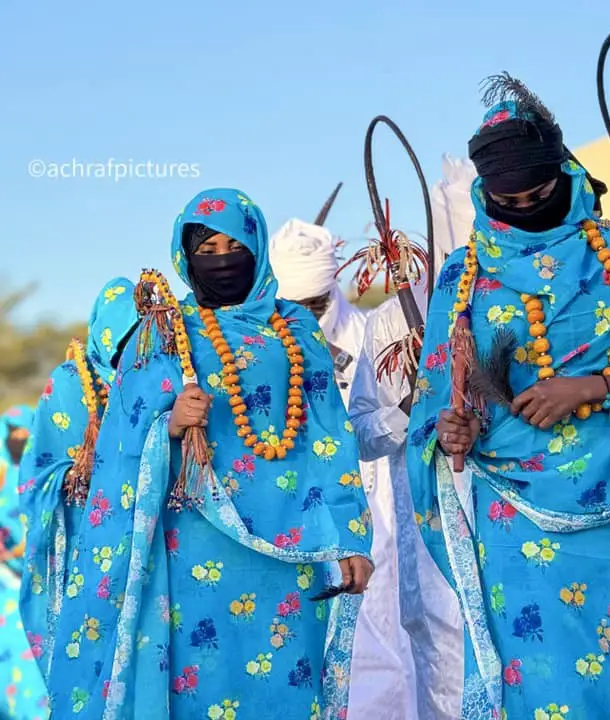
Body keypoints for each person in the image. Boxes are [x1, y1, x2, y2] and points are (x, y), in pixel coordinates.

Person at [405, 89, 610, 719]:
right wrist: (455, 431)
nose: (528, 210)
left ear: (564, 173)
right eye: (511, 204)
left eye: (540, 196)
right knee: (537, 688)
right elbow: (435, 405)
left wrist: (592, 388)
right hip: (513, 525)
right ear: (486, 195)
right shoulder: (462, 275)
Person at [43, 188, 374, 719]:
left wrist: (352, 535)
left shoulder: (297, 330)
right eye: (208, 246)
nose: (222, 259)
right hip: (197, 547)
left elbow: (329, 435)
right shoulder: (163, 334)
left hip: (291, 548)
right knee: (203, 688)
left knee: (286, 687)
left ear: (258, 246)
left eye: (234, 243)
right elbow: (119, 442)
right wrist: (167, 424)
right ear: (185, 254)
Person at [346, 154, 475, 719]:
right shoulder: (391, 321)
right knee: (443, 664)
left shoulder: (530, 296)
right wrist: (409, 412)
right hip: (425, 525)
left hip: (518, 518)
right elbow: (363, 429)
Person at [18, 276, 139, 688]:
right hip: (82, 549)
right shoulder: (72, 382)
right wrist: (80, 472)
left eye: (138, 339)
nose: (129, 352)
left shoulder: (157, 381)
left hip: (146, 547)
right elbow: (38, 474)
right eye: (121, 340)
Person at [269, 218, 367, 400]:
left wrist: (338, 357)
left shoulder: (364, 331)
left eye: (315, 304)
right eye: (295, 306)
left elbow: (386, 395)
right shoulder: (259, 337)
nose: (305, 314)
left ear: (331, 292)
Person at [0, 404, 48, 720]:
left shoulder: (50, 473)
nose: (20, 441)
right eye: (14, 437)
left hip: (48, 580)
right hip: (9, 585)